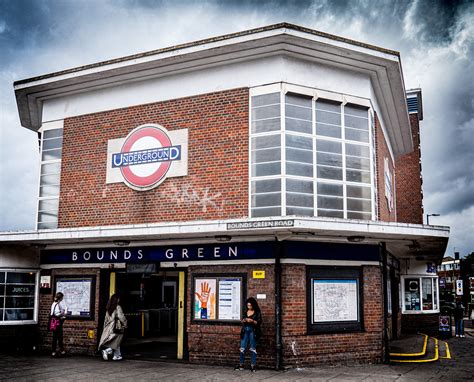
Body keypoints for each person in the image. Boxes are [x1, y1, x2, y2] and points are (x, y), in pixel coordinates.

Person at [235, 297, 262, 372]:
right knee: (242, 348)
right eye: (248, 305)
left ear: (253, 305)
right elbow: (242, 320)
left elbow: (259, 322)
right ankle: (241, 364)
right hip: (245, 330)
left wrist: (252, 321)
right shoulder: (245, 311)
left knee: (253, 348)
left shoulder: (257, 312)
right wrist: (244, 320)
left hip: (253, 331)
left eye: (250, 305)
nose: (249, 307)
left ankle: (253, 365)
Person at [99, 294, 127, 361]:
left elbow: (106, 319)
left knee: (116, 341)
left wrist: (104, 328)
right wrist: (125, 324)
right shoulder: (118, 307)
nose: (119, 300)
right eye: (118, 299)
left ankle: (117, 355)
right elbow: (121, 317)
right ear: (116, 300)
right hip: (116, 327)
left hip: (109, 327)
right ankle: (107, 351)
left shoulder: (108, 308)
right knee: (117, 340)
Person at [50, 292, 68, 357]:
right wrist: (63, 313)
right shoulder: (56, 304)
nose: (63, 298)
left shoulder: (55, 303)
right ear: (60, 298)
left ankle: (57, 351)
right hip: (57, 323)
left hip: (55, 322)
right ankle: (57, 352)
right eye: (62, 297)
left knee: (56, 337)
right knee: (58, 337)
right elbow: (57, 313)